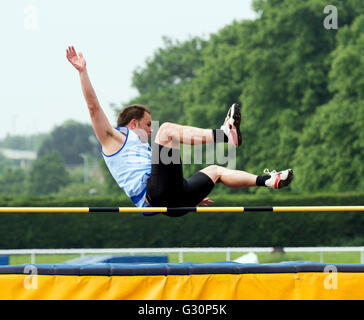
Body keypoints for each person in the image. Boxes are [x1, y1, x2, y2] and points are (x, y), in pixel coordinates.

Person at [66, 46, 293, 217]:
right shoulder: (113, 140)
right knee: (167, 131)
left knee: (215, 171)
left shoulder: (145, 151)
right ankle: (225, 134)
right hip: (156, 197)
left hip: (175, 199)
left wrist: (188, 193)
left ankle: (268, 180)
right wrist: (82, 72)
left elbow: (166, 173)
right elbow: (93, 107)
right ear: (132, 124)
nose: (151, 129)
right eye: (147, 125)